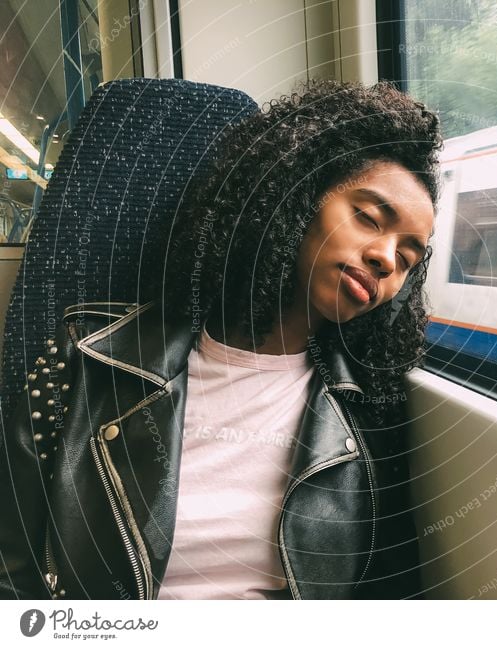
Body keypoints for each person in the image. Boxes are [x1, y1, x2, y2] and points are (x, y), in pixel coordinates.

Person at [0, 78, 442, 600]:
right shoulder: (89, 358)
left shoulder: (369, 415)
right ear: (294, 195)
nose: (386, 259)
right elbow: (14, 571)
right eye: (368, 217)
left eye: (408, 258)